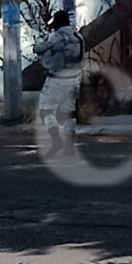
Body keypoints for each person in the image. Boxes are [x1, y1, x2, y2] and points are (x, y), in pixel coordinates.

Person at [33, 10, 85, 158]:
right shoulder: (78, 37)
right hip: (74, 78)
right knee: (70, 112)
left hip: (56, 78)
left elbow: (37, 48)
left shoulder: (55, 37)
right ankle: (70, 147)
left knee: (46, 109)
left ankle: (56, 141)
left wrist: (42, 39)